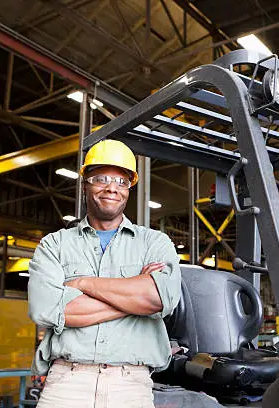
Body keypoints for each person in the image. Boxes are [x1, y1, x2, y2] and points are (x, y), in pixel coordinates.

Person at [27, 139, 182, 408]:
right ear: (85, 182)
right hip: (67, 381)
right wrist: (134, 299)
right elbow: (48, 310)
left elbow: (160, 299)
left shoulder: (154, 243)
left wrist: (83, 283)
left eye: (122, 181)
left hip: (131, 383)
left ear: (129, 188)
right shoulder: (55, 244)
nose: (112, 188)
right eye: (101, 178)